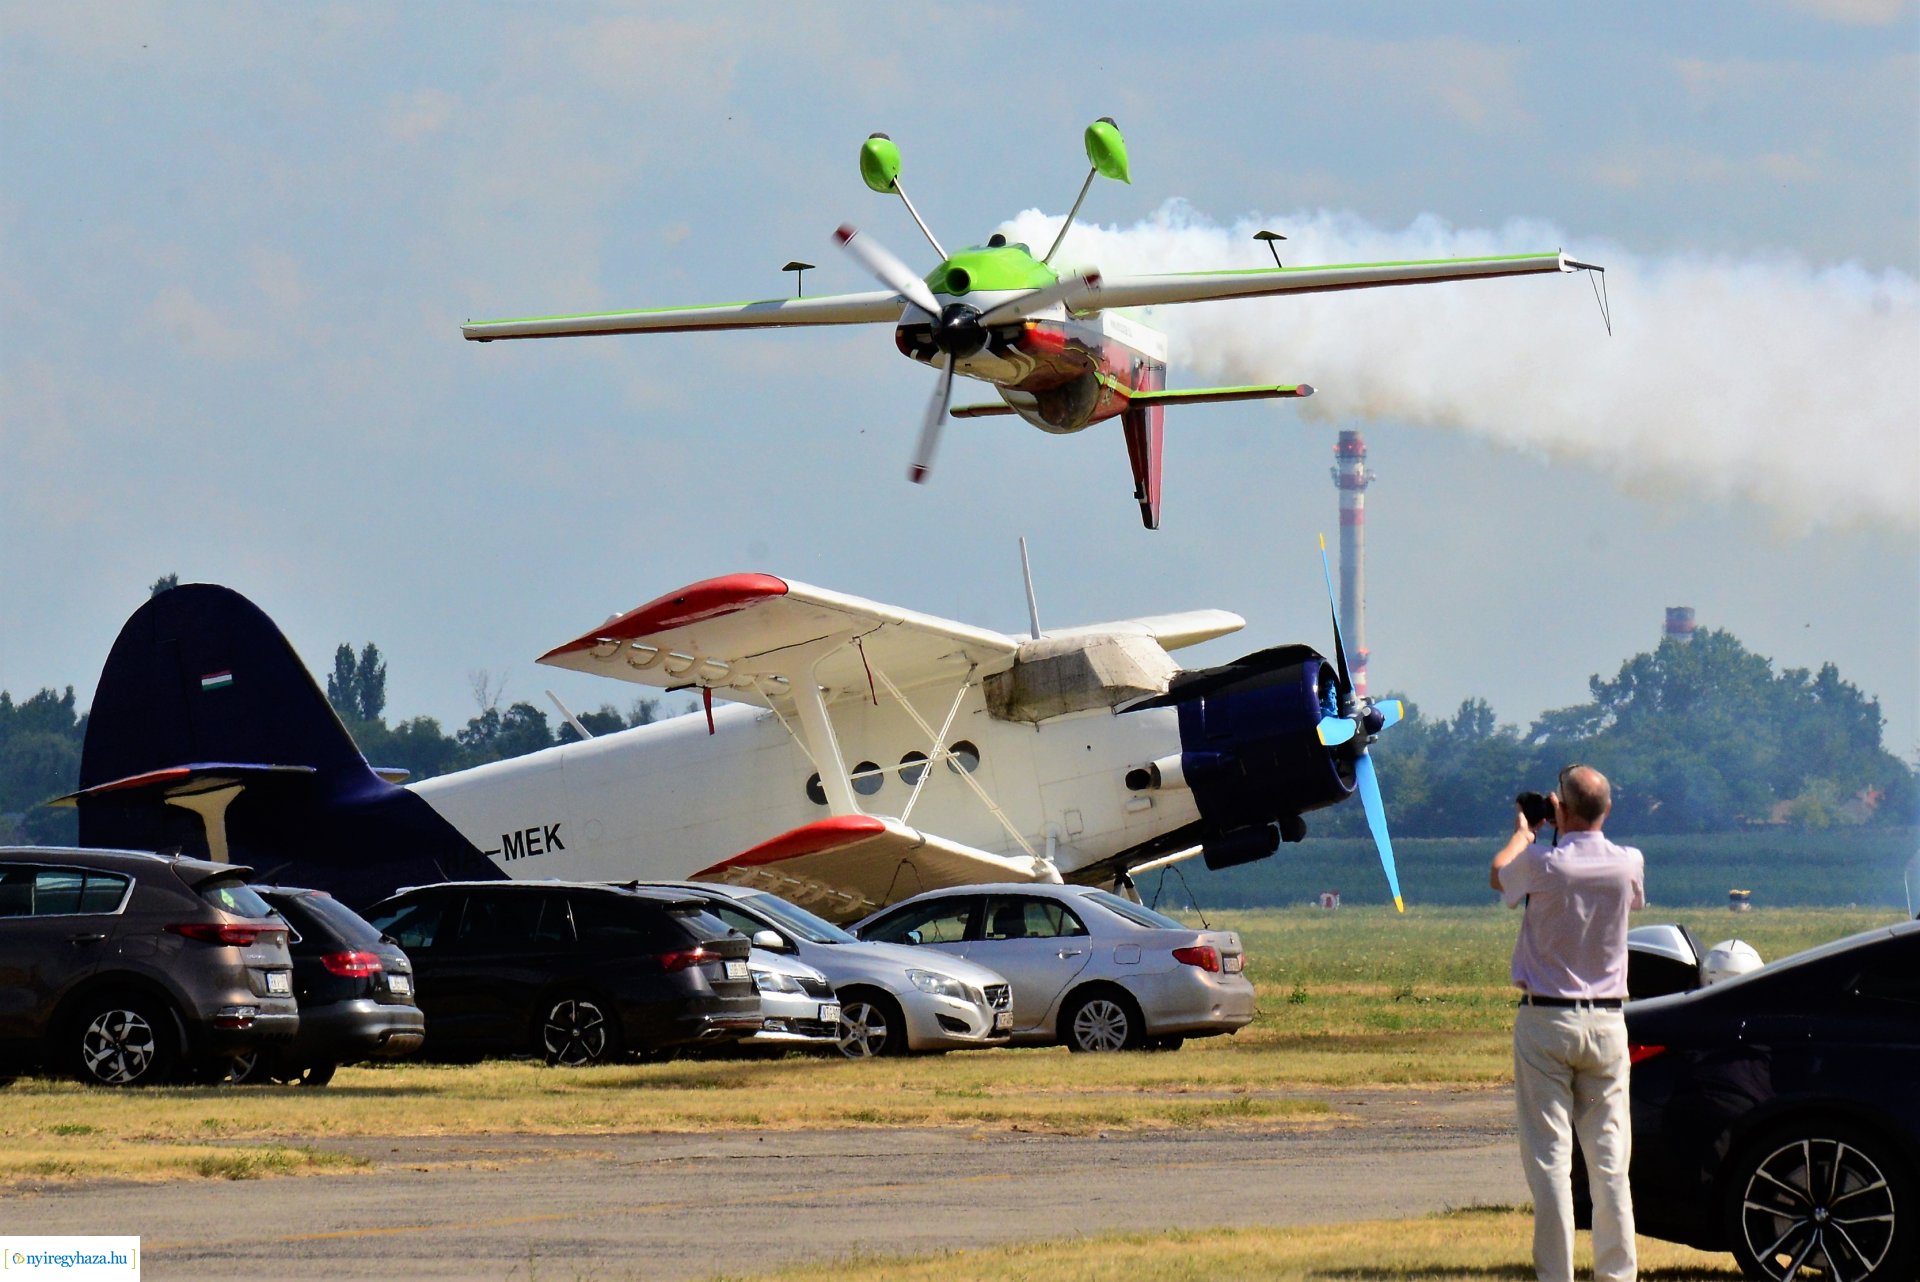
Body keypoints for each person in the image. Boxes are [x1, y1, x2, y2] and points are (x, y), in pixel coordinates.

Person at [1490, 763, 1644, 1282]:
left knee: (1551, 1160)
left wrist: (1525, 832)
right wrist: (1564, 824)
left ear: (1563, 809)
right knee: (1609, 1164)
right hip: (1607, 1022)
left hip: (1547, 1019)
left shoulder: (1544, 864)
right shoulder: (1629, 864)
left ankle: (1557, 1275)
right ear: (1608, 809)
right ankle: (1617, 1274)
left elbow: (1499, 874)